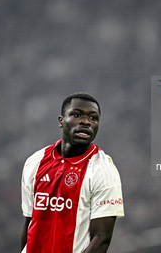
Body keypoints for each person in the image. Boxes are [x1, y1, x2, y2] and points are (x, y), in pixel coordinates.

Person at [20, 93, 124, 253]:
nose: (85, 122)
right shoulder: (35, 162)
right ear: (61, 121)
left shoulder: (103, 170)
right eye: (77, 115)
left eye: (93, 118)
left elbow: (101, 238)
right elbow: (29, 223)